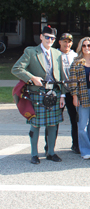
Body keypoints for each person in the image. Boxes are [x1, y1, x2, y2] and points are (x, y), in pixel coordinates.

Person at [12, 26, 66, 164]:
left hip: (54, 92)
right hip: (37, 93)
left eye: (52, 38)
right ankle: (34, 154)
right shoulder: (31, 52)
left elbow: (61, 75)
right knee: (35, 124)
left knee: (53, 124)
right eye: (47, 37)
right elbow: (16, 68)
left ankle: (51, 152)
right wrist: (31, 78)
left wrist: (62, 95)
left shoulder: (57, 54)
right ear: (41, 37)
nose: (50, 40)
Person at [69, 37, 90, 160]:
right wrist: (75, 96)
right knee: (82, 125)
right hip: (83, 94)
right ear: (80, 47)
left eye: (89, 45)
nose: (87, 48)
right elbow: (72, 81)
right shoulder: (76, 62)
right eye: (84, 45)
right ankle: (85, 150)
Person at [58, 33, 79, 153]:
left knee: (74, 119)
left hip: (72, 92)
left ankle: (75, 144)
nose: (67, 44)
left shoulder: (75, 56)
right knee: (54, 120)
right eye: (64, 41)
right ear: (60, 42)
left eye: (69, 42)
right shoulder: (55, 55)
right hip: (59, 91)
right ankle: (49, 147)